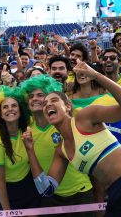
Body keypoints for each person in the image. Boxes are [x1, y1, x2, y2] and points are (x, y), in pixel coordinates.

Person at [22, 59, 121, 216]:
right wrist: (30, 151)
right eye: (44, 104)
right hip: (114, 193)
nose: (47, 105)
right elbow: (47, 190)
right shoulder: (61, 150)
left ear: (68, 106)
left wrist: (96, 75)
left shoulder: (84, 117)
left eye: (54, 100)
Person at [20, 75, 98, 217]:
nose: (35, 99)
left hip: (81, 193)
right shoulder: (26, 130)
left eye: (40, 95)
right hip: (51, 197)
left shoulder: (64, 123)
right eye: (31, 96)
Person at [0, 85, 41, 210]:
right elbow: (0, 184)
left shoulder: (27, 131)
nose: (10, 109)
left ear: (20, 110)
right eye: (5, 107)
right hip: (9, 192)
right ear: (0, 114)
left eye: (14, 105)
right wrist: (7, 212)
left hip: (29, 188)